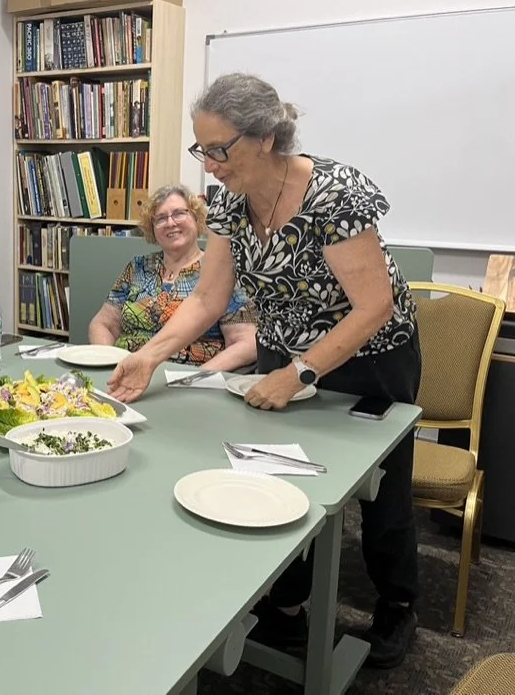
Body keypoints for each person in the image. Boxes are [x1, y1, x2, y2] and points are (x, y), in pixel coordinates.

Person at [107, 73, 421, 668]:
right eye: (202, 149)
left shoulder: (336, 192)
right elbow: (207, 297)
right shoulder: (228, 199)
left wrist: (301, 373)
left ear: (268, 137)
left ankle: (397, 606)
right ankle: (287, 607)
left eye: (219, 149)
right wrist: (149, 353)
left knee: (381, 490)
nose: (210, 166)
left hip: (370, 357)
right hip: (282, 354)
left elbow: (374, 306)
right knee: (276, 478)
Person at [88, 184, 257, 371]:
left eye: (179, 213)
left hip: (186, 379)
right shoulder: (137, 267)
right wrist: (108, 364)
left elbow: (247, 343)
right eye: (160, 218)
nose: (170, 223)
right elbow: (103, 324)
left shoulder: (220, 271)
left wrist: (196, 377)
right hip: (126, 372)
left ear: (196, 218)